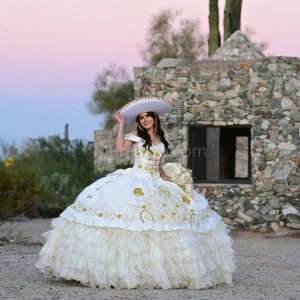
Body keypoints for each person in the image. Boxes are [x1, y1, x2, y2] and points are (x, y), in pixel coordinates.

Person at [36, 97, 236, 289]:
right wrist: (120, 124)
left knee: (171, 218)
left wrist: (165, 174)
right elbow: (120, 149)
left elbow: (159, 163)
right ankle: (119, 270)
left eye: (148, 115)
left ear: (155, 117)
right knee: (129, 218)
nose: (145, 119)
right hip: (136, 178)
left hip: (156, 180)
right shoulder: (137, 136)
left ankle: (158, 269)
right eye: (141, 117)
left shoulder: (161, 139)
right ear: (138, 121)